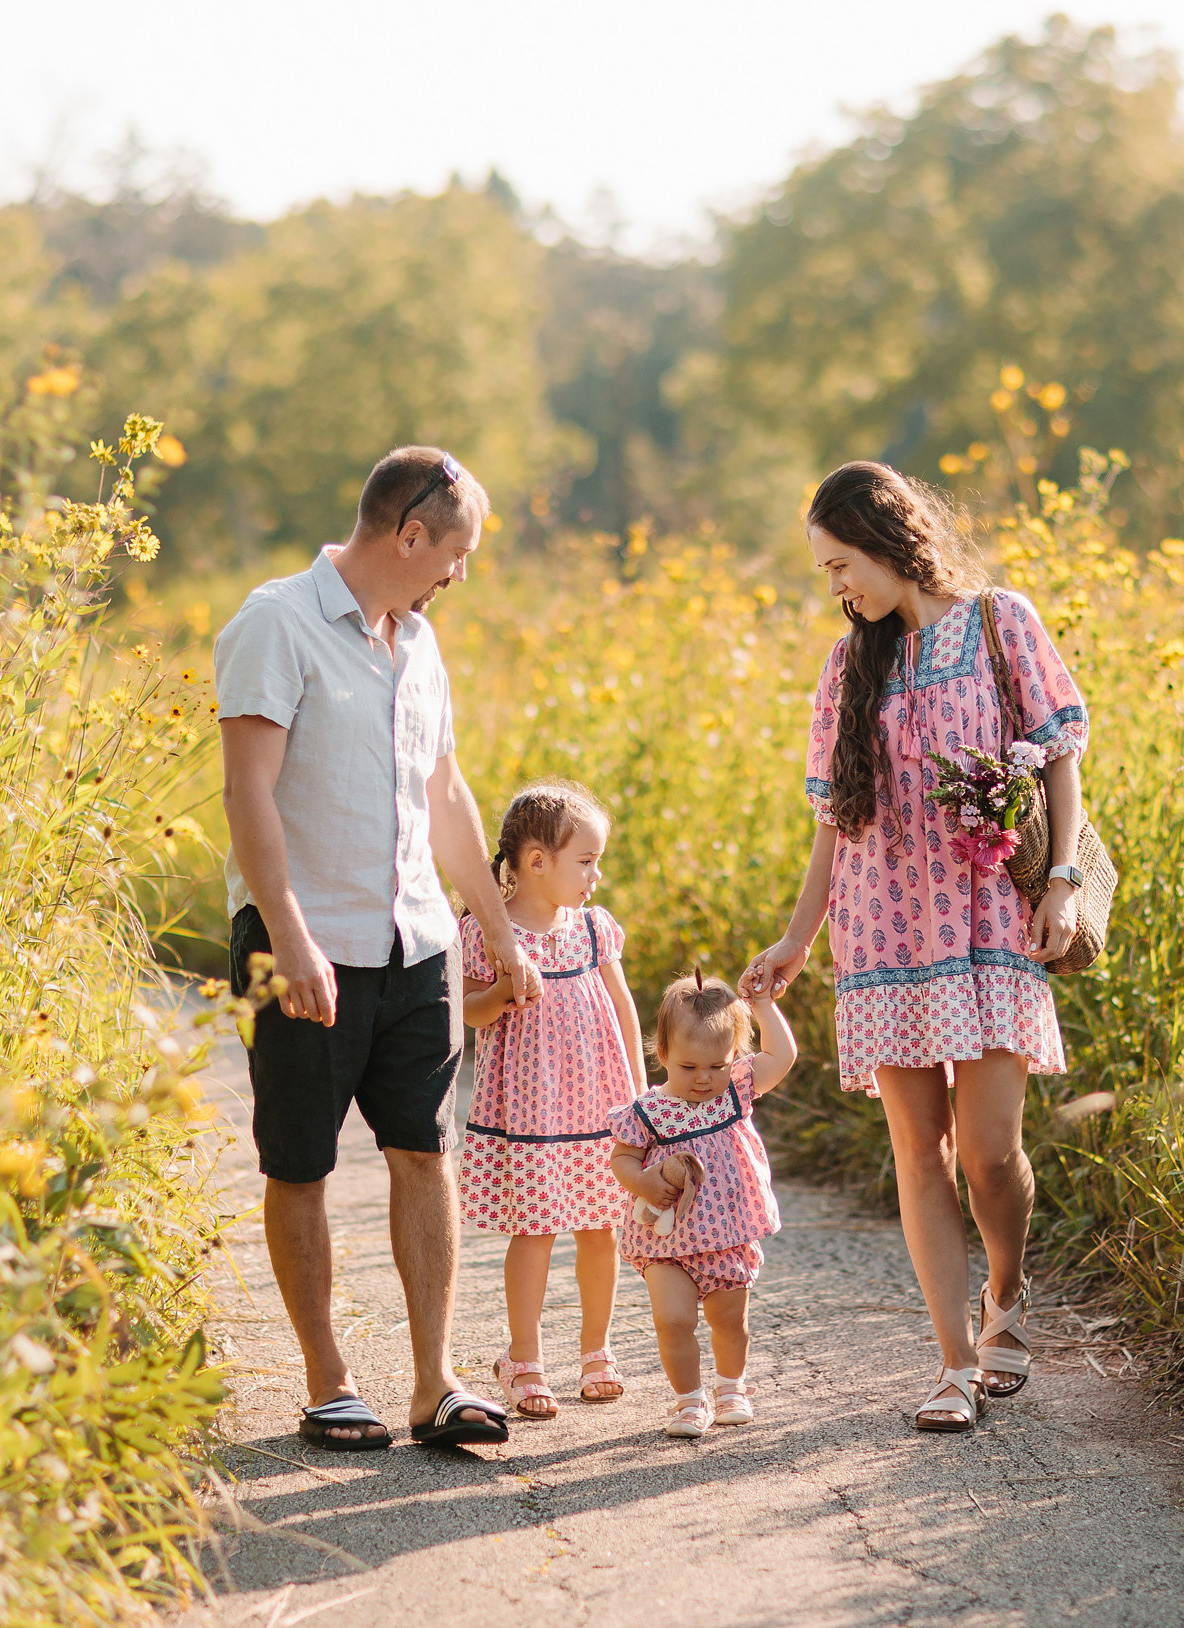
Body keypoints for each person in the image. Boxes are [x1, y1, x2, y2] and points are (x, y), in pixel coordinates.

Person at [740, 461, 1090, 1434]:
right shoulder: (850, 668)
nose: (837, 587)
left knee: (987, 1151)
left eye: (841, 563)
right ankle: (949, 1366)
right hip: (884, 930)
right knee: (918, 1154)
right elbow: (831, 823)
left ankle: (1006, 1300)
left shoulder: (997, 622)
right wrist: (797, 938)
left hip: (989, 925)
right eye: (824, 572)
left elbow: (1059, 758)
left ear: (889, 540)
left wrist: (1060, 882)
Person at [214, 445, 541, 1452]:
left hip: (415, 945)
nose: (461, 573)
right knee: (302, 1163)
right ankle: (326, 1382)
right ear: (409, 535)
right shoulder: (275, 624)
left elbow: (446, 795)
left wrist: (494, 928)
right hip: (305, 943)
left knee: (422, 1152)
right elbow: (248, 793)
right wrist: (291, 934)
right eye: (458, 552)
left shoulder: (422, 645)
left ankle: (433, 1383)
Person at [457, 781, 647, 1418]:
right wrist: (508, 988)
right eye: (586, 861)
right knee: (535, 1230)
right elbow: (471, 1013)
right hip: (533, 1114)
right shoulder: (491, 932)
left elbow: (621, 1007)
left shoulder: (594, 929)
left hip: (599, 1104)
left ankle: (598, 1349)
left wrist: (641, 1096)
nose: (597, 874)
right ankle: (524, 1357)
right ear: (537, 862)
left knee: (601, 1228)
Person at [606, 974, 800, 1439]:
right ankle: (689, 1401)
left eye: (716, 1065)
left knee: (730, 1319)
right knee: (674, 1320)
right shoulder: (648, 1110)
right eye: (689, 1066)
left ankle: (732, 1388)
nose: (703, 1078)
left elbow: (783, 1056)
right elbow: (622, 1159)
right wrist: (644, 1183)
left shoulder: (736, 1091)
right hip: (665, 1241)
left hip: (728, 1234)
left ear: (732, 1058)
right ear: (664, 1053)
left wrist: (763, 1004)